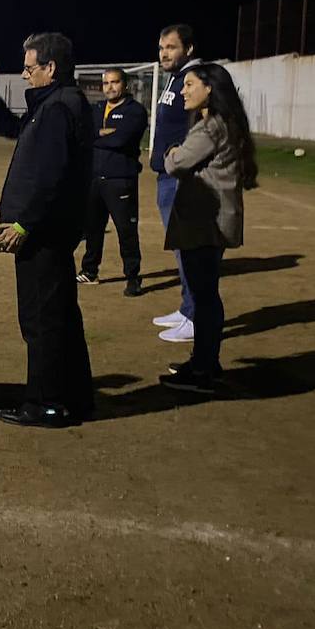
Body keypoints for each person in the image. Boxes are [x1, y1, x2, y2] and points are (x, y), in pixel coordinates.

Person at [0, 33, 94, 427]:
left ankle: (46, 402)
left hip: (45, 231)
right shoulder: (57, 103)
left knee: (41, 319)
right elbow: (15, 130)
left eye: (30, 68)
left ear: (51, 68)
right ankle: (75, 396)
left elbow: (50, 174)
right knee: (61, 314)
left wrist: (24, 222)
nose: (26, 74)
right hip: (53, 229)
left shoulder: (60, 106)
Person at [158, 62, 258, 394]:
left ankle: (203, 370)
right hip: (210, 222)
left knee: (204, 297)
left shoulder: (211, 127)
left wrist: (172, 152)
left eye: (189, 85)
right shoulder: (223, 123)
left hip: (205, 223)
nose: (183, 91)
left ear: (209, 88)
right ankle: (204, 362)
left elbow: (176, 162)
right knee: (205, 294)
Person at [149, 24, 205, 342]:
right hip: (167, 175)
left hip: (182, 178)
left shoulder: (195, 78)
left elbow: (203, 126)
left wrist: (181, 160)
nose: (164, 53)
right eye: (161, 48)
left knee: (189, 250)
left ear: (189, 49)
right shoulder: (175, 78)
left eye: (171, 47)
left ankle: (196, 317)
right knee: (180, 250)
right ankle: (187, 309)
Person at [76, 67, 147, 295]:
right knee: (93, 228)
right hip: (93, 179)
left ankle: (133, 277)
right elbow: (83, 134)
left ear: (125, 85)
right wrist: (101, 135)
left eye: (114, 82)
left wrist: (97, 137)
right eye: (106, 83)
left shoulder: (135, 111)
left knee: (126, 231)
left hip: (120, 180)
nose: (110, 87)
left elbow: (122, 139)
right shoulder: (96, 109)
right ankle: (89, 271)